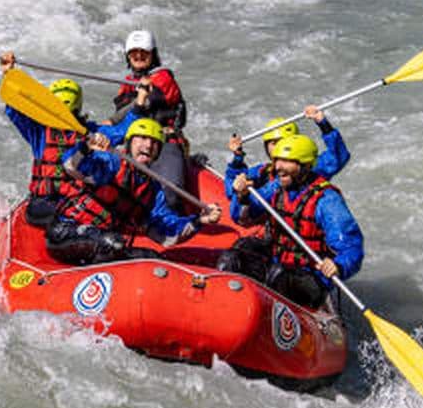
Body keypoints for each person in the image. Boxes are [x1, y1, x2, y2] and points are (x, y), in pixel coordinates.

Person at [0, 51, 148, 227]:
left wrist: (141, 98)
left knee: (105, 217)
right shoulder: (39, 131)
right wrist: (9, 73)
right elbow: (14, 109)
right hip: (44, 202)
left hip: (76, 200)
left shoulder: (92, 133)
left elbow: (125, 130)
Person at [45, 118, 222, 265]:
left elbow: (167, 234)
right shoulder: (110, 163)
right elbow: (71, 166)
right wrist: (86, 147)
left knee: (153, 259)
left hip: (105, 241)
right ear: (129, 143)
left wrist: (200, 219)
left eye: (154, 142)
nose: (148, 145)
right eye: (142, 139)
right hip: (66, 233)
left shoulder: (152, 189)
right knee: (112, 244)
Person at [218, 134, 363, 309]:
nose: (279, 167)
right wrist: (242, 197)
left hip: (312, 276)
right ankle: (226, 308)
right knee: (232, 258)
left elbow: (352, 248)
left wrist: (338, 265)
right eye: (278, 161)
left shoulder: (327, 201)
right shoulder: (276, 187)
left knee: (279, 276)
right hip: (278, 261)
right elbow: (242, 218)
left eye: (287, 162)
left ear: (306, 166)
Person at [111, 30, 188, 210]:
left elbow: (145, 103)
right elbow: (123, 112)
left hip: (164, 141)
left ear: (153, 54)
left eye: (144, 52)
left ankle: (172, 222)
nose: (138, 56)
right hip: (134, 142)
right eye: (133, 52)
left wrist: (112, 120)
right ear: (127, 56)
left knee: (173, 195)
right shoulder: (128, 82)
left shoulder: (163, 78)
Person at [223, 105, 350, 199]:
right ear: (266, 147)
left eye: (283, 142)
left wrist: (323, 124)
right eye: (273, 143)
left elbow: (339, 157)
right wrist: (237, 159)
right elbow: (230, 189)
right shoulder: (262, 172)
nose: (279, 147)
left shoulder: (311, 168)